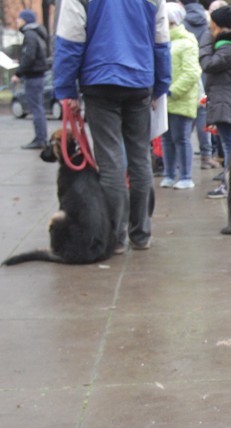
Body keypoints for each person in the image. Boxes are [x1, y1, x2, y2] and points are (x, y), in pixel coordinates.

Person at [53, 0, 171, 253]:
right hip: (140, 81)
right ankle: (141, 234)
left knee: (111, 161)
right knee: (140, 157)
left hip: (99, 82)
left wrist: (65, 89)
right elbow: (161, 43)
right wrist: (160, 85)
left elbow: (70, 43)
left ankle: (116, 237)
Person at [199, 5, 231, 199]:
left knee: (230, 146)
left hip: (225, 100)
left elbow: (208, 65)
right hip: (226, 100)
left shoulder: (229, 47)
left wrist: (205, 44)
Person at [160, 3, 202, 190]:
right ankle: (169, 174)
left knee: (181, 138)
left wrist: (172, 90)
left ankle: (185, 176)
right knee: (166, 140)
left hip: (180, 99)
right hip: (165, 99)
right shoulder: (165, 41)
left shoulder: (186, 43)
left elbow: (192, 73)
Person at [180, 0, 217, 170]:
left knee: (182, 118)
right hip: (204, 75)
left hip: (184, 76)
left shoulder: (179, 19)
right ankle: (206, 156)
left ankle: (180, 158)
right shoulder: (208, 19)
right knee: (203, 116)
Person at [13, 10, 49, 150]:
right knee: (38, 108)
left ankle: (40, 139)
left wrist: (18, 73)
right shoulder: (36, 34)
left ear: (26, 20)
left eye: (19, 18)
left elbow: (29, 56)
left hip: (33, 77)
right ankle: (40, 137)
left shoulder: (29, 35)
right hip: (37, 76)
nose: (17, 21)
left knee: (36, 109)